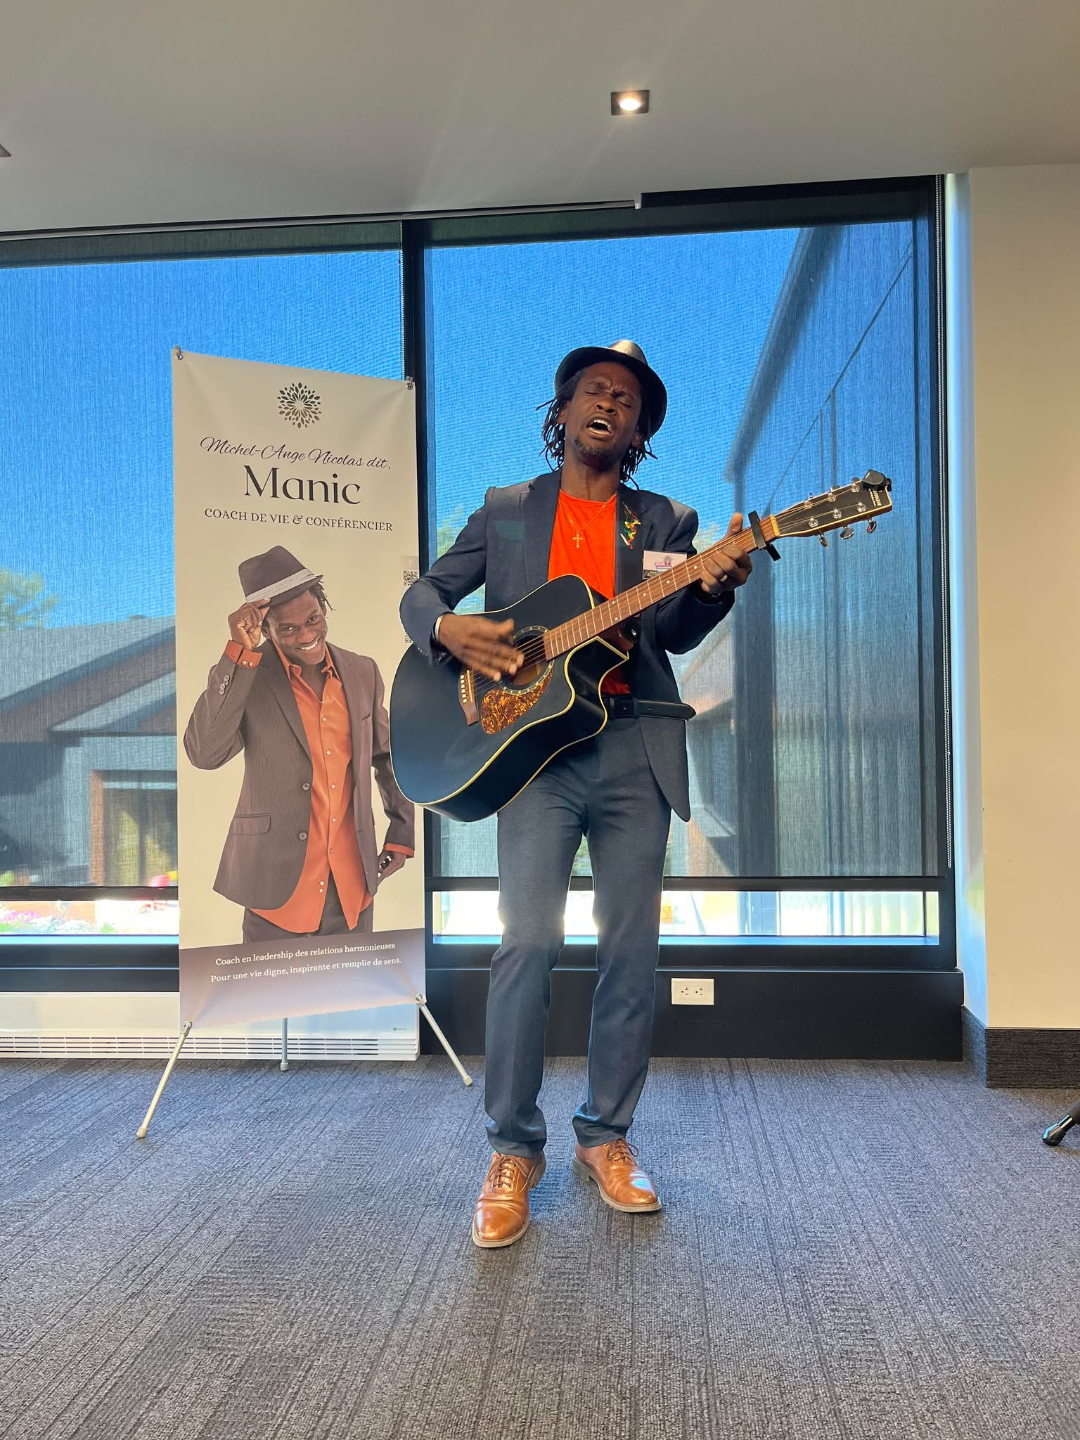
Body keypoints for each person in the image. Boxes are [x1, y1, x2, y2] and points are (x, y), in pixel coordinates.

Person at [400, 340, 752, 1247]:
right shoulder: (508, 510)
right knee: (525, 945)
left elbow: (672, 621)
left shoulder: (667, 516)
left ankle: (607, 1137)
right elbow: (425, 594)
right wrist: (450, 628)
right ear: (561, 412)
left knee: (631, 952)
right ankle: (512, 1149)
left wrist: (716, 584)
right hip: (533, 754)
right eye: (596, 389)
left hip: (635, 746)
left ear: (639, 432)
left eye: (629, 399)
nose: (611, 402)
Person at [185, 546, 414, 942]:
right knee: (269, 1006)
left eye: (313, 619)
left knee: (346, 1003)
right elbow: (204, 754)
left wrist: (402, 830)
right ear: (266, 629)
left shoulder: (362, 672)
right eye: (288, 629)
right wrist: (239, 652)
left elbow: (387, 756)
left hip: (352, 888)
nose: (307, 636)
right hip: (274, 891)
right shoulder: (247, 674)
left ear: (323, 607)